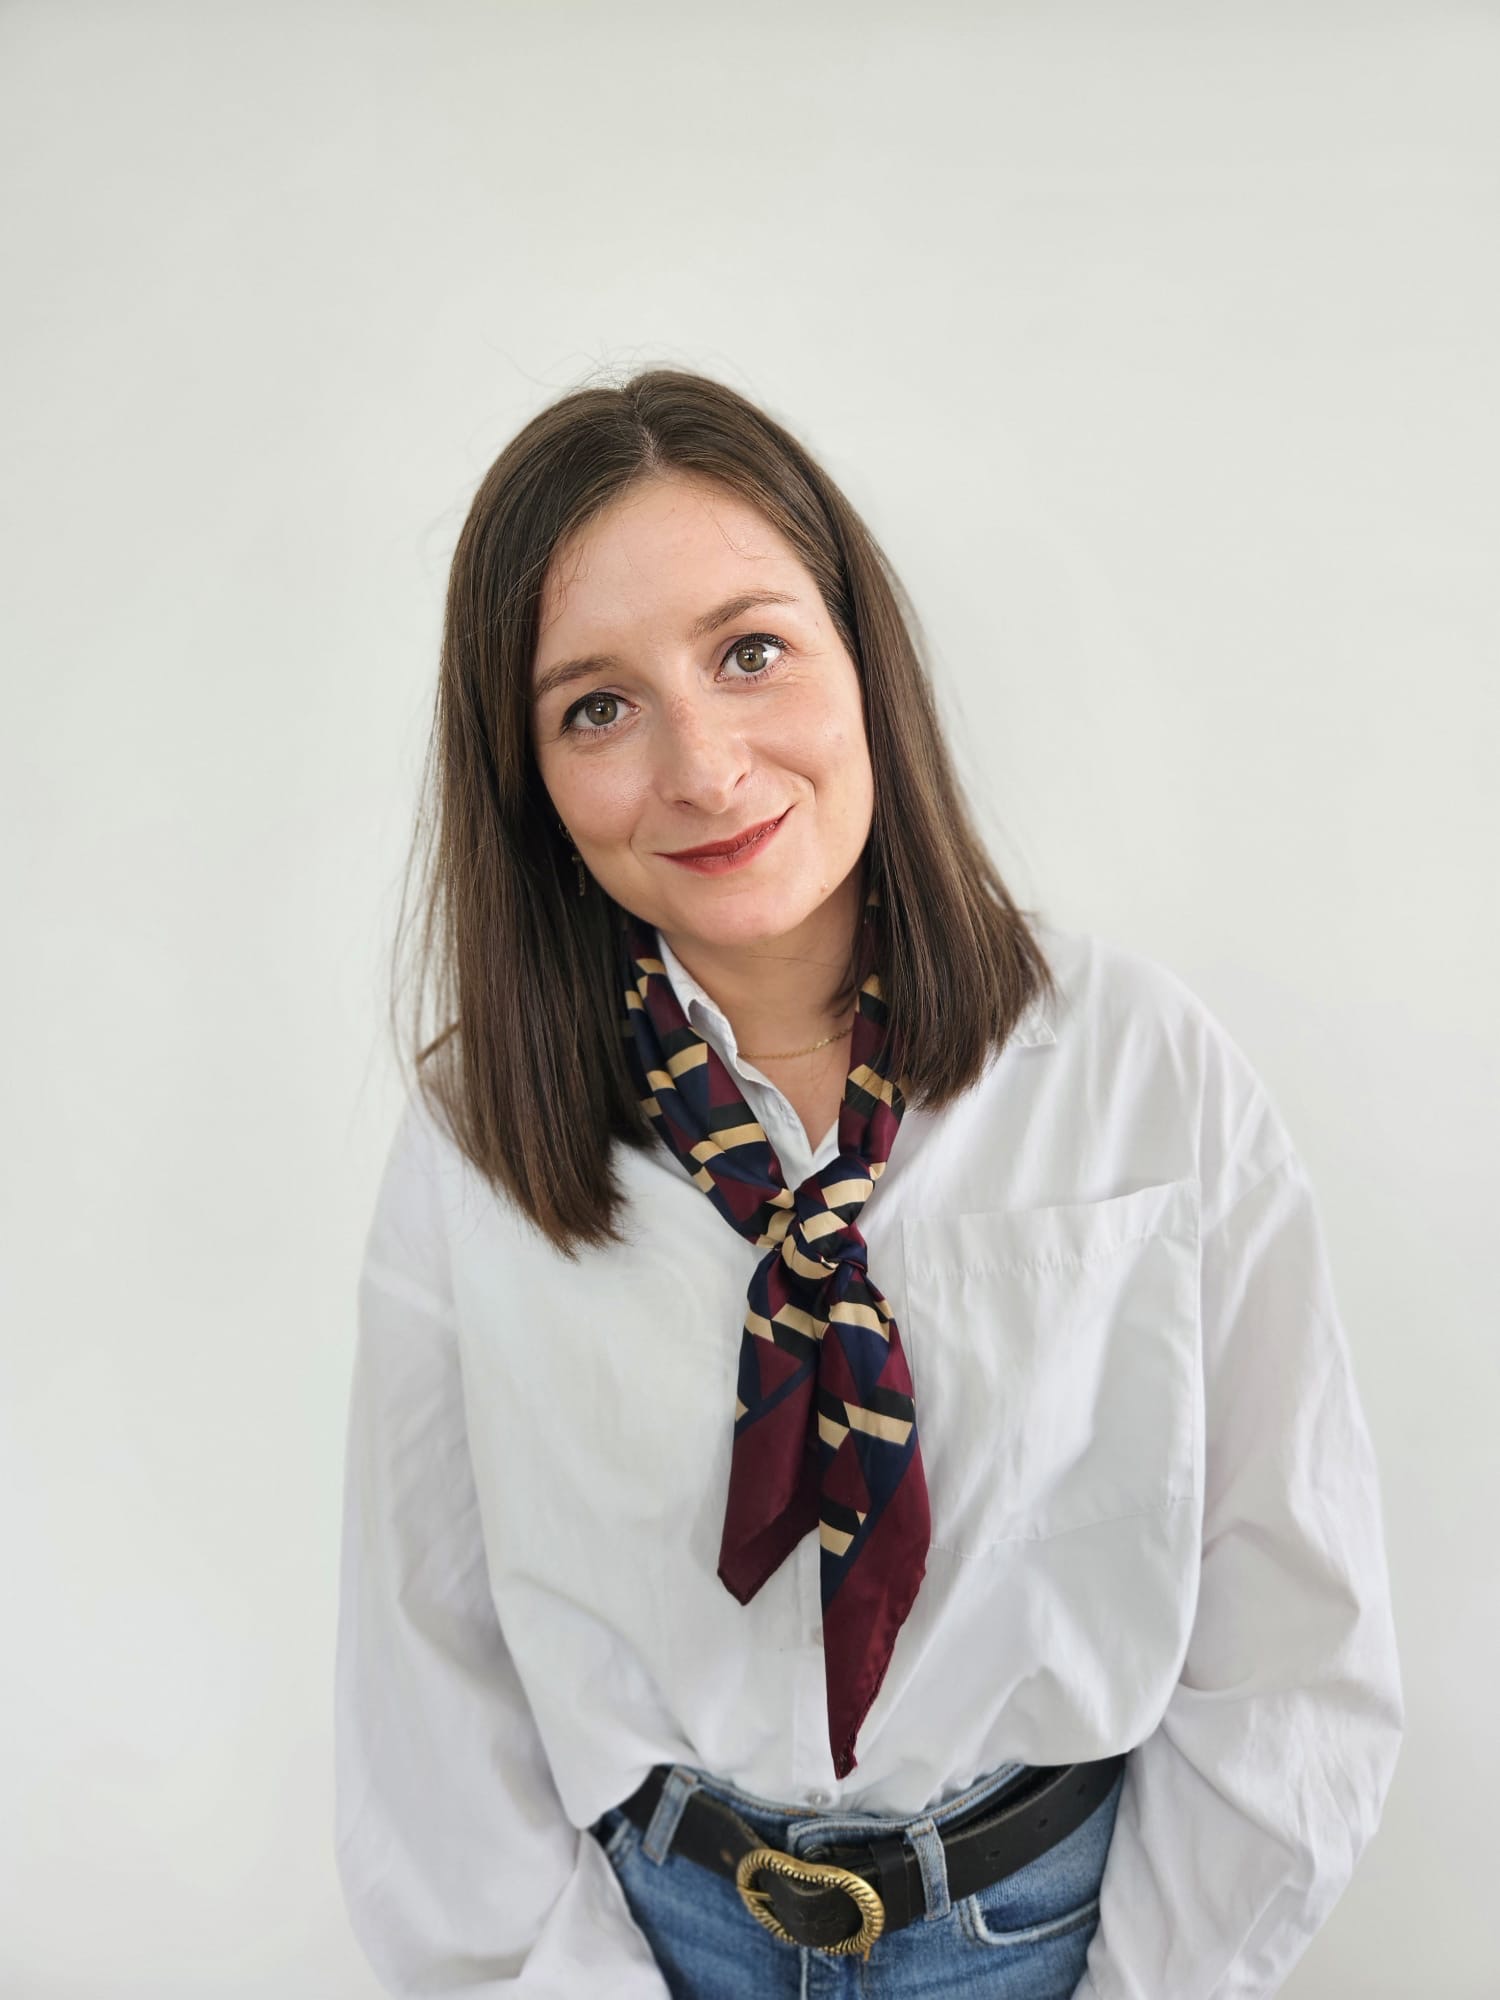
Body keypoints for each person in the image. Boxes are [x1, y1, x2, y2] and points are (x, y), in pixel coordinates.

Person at [332, 369, 1404, 1999]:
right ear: (528, 780)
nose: (704, 767)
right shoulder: (479, 1131)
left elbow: (1290, 1618)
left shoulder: (1135, 1066)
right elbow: (429, 1655)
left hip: (1051, 1937)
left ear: (860, 656)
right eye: (597, 707)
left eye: (748, 651)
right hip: (646, 1937)